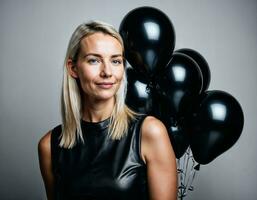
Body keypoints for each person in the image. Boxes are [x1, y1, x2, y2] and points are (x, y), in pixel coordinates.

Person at [38, 21, 177, 200]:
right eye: (94, 60)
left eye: (116, 61)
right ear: (73, 68)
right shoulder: (49, 146)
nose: (107, 72)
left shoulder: (150, 132)